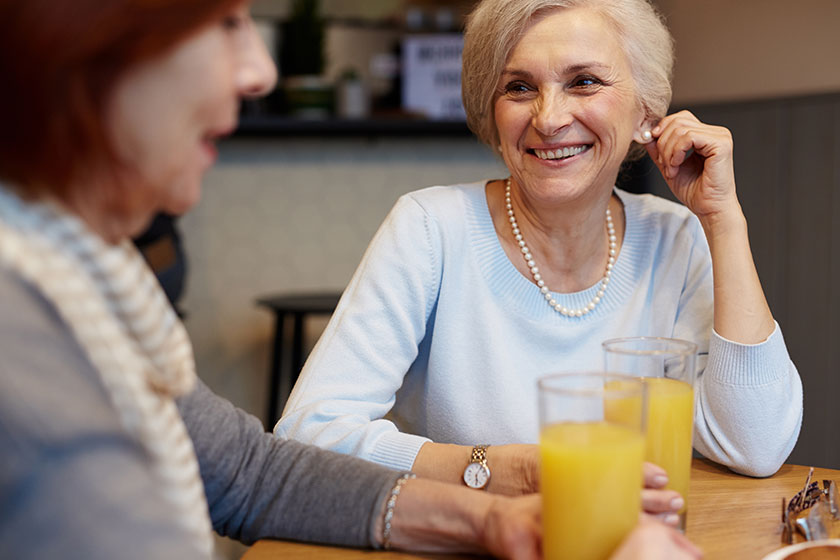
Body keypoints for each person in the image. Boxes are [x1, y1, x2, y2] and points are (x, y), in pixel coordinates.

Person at [0, 1, 704, 559]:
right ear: (87, 43)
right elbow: (306, 435)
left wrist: (494, 524)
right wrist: (503, 475)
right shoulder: (25, 333)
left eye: (584, 80)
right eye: (226, 23)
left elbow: (252, 475)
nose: (261, 73)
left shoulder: (87, 277)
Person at [276, 0, 803, 505]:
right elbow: (307, 435)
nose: (549, 118)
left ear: (647, 111)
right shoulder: (431, 228)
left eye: (584, 82)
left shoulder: (674, 236)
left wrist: (723, 220)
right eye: (520, 87)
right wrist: (490, 469)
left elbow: (754, 446)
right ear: (492, 113)